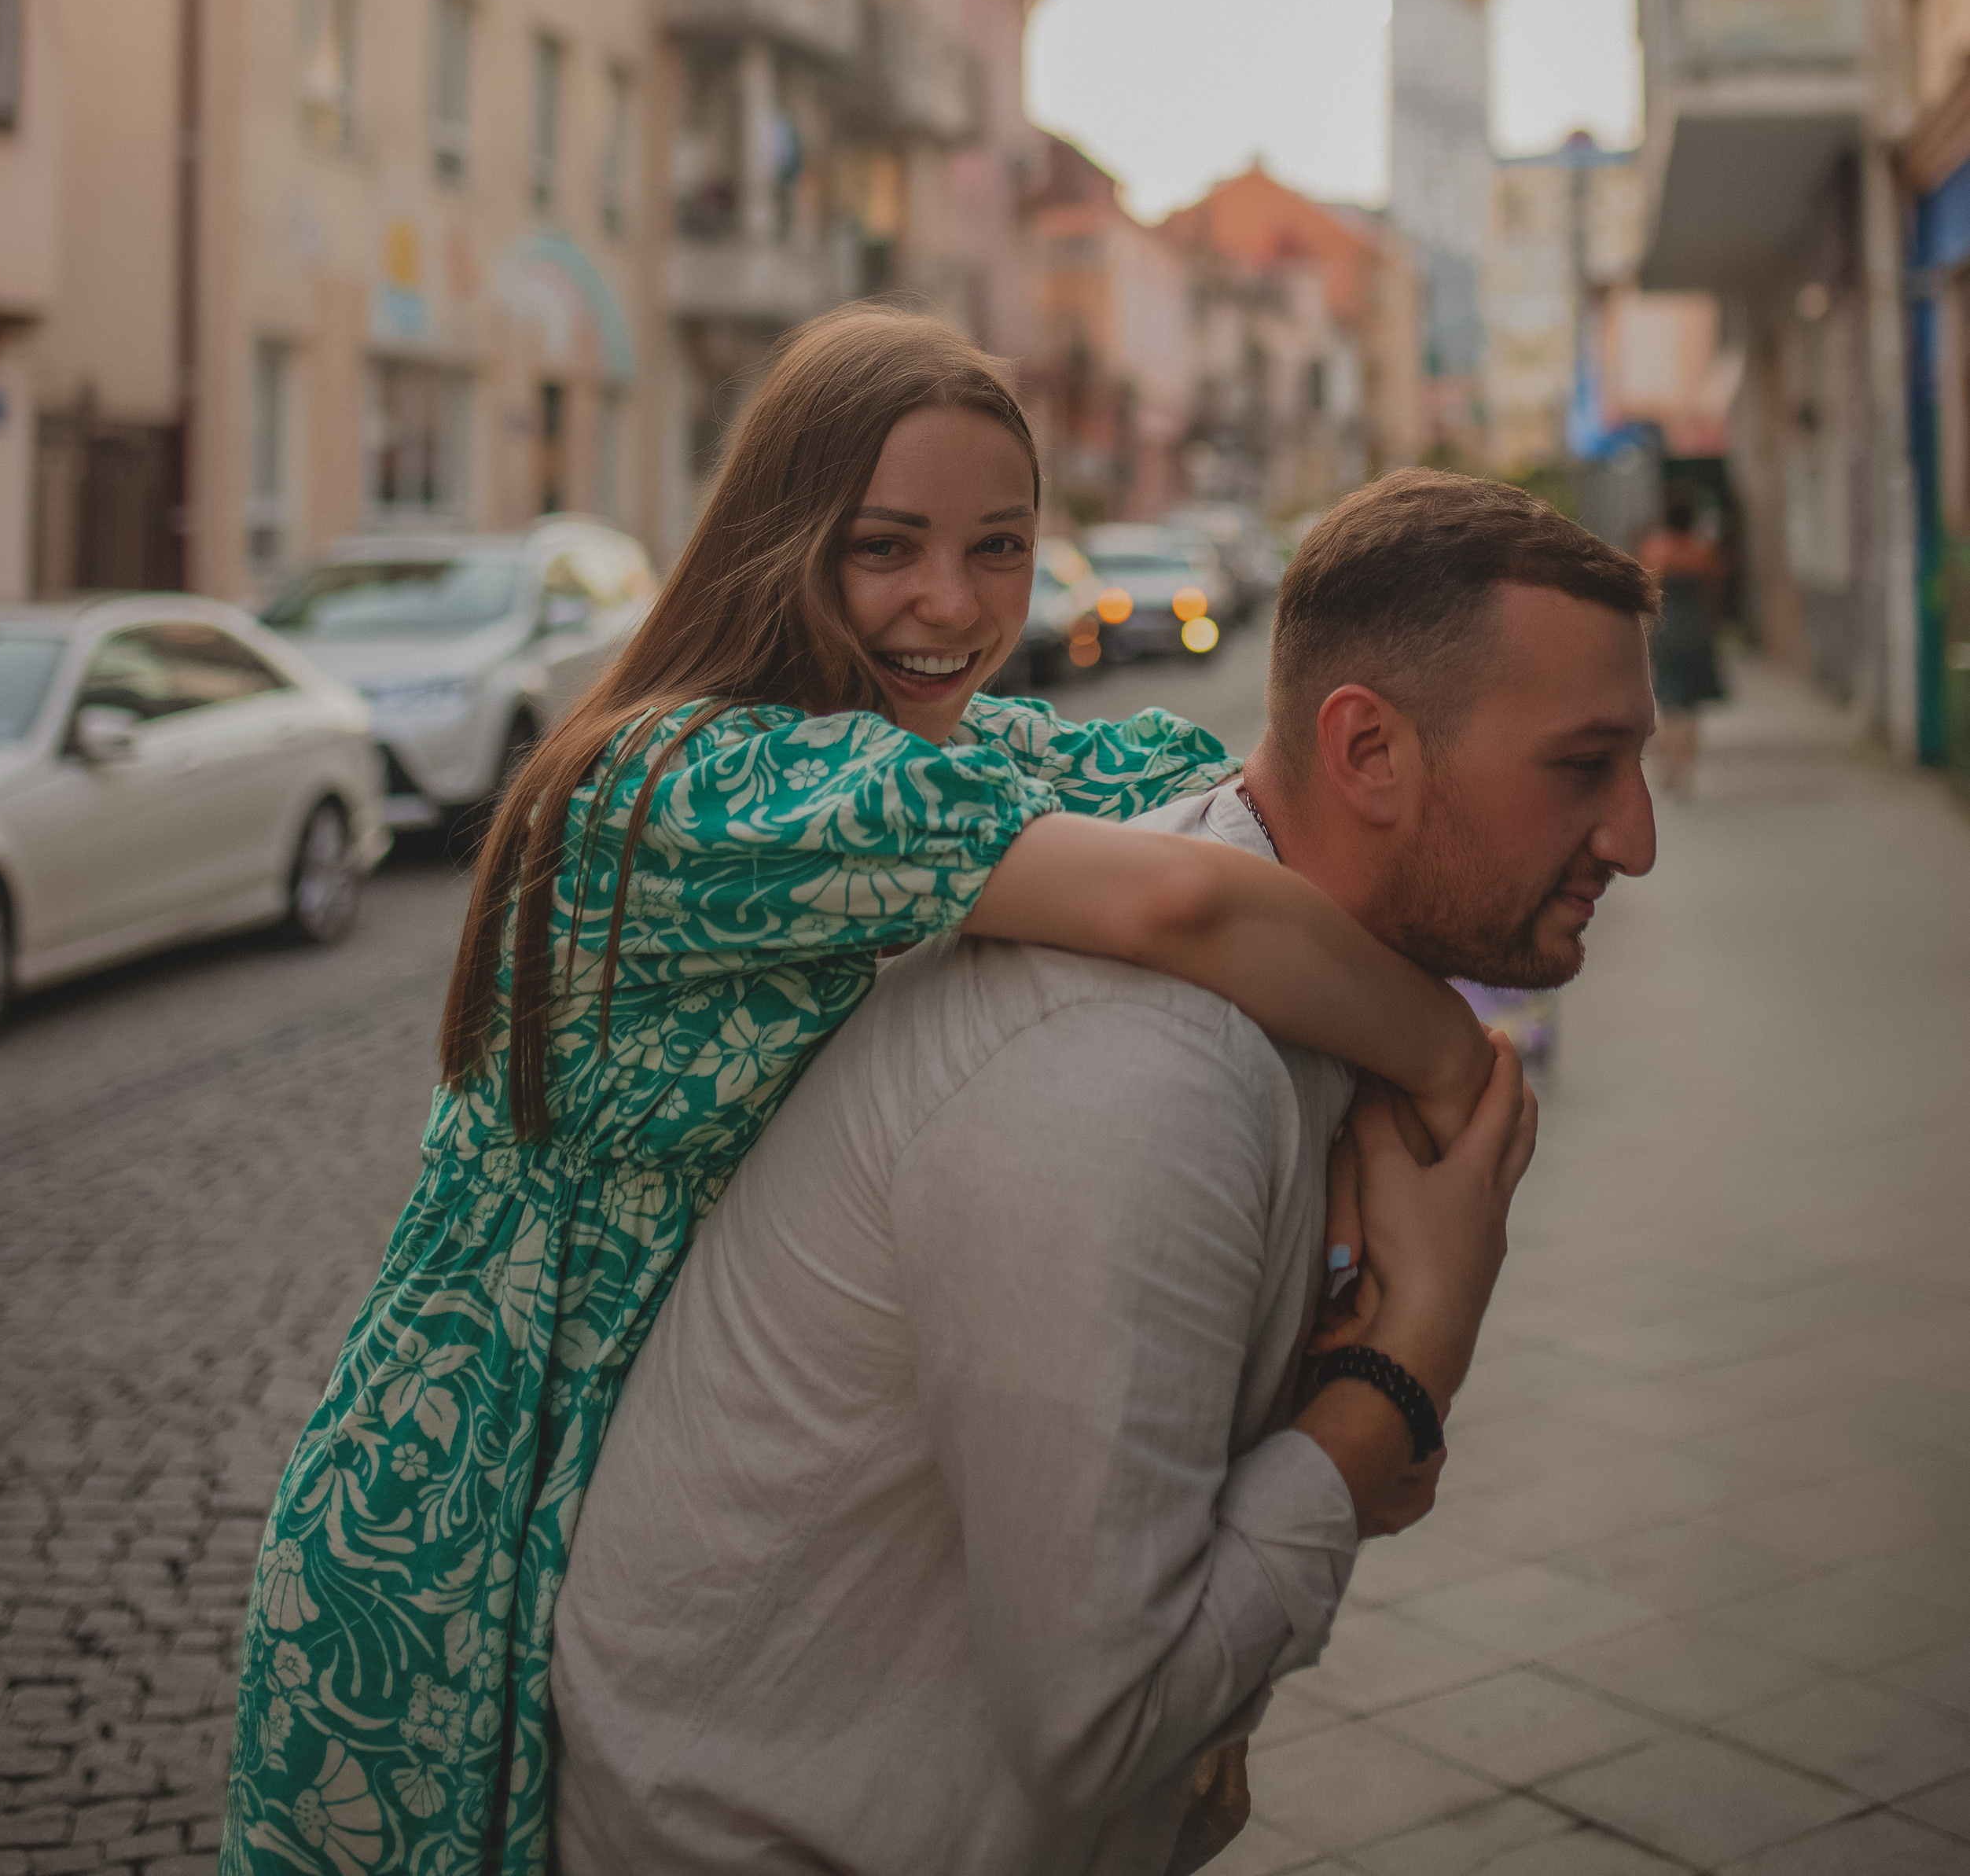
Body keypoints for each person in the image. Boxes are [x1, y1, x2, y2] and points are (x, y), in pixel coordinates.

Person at [221, 311, 1495, 1876]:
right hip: (454, 1503)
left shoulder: (964, 759)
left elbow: (1215, 797)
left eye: (1001, 546)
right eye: (885, 545)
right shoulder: (685, 782)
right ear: (781, 538)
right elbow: (1193, 906)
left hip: (634, 1456)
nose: (952, 604)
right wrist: (1460, 1073)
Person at [551, 469, 1659, 1874]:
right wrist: (1401, 1375)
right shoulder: (1135, 1077)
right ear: (1366, 752)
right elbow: (1104, 1719)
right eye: (1580, 765)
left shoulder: (1231, 936)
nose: (1635, 835)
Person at [1639, 494, 1725, 796]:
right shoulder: (1704, 550)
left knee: (1666, 700)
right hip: (1697, 631)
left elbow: (1651, 597)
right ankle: (1687, 771)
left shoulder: (1657, 549)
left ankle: (1668, 769)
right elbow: (1713, 595)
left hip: (1669, 631)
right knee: (1692, 705)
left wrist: (1646, 641)